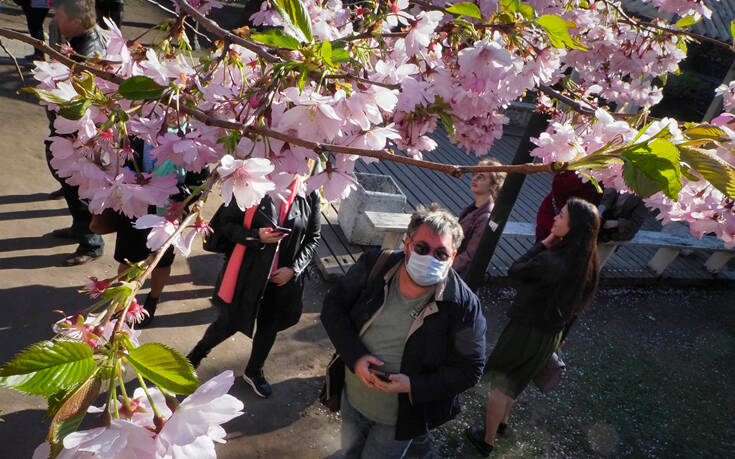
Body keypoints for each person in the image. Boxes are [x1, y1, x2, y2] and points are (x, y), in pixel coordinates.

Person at [321, 204, 487, 458]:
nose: (429, 258)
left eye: (440, 254)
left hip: (400, 420)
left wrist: (414, 385)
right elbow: (334, 306)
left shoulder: (463, 305)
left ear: (452, 257)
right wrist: (355, 357)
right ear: (408, 245)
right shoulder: (375, 266)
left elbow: (471, 369)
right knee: (349, 451)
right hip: (353, 398)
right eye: (422, 248)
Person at [466, 198, 601, 457]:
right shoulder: (588, 265)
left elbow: (515, 271)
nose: (555, 219)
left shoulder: (551, 261)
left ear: (573, 228)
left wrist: (543, 244)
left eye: (561, 217)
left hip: (525, 330)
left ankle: (487, 440)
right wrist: (562, 338)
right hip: (551, 335)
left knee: (501, 384)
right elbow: (577, 307)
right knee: (518, 380)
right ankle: (502, 424)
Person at [186, 178, 321, 398]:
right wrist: (256, 236)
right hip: (247, 274)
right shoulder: (251, 185)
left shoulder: (309, 193)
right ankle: (196, 355)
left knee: (269, 327)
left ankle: (254, 370)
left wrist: (294, 269)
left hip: (281, 281)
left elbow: (313, 237)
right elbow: (226, 225)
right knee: (229, 321)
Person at [45, 0, 107, 266]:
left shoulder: (88, 52)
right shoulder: (79, 44)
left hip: (78, 134)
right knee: (70, 186)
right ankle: (79, 229)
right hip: (69, 130)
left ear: (77, 20)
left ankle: (91, 243)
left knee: (78, 189)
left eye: (59, 17)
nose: (56, 22)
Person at [452, 158, 506, 277]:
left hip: (455, 273)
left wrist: (443, 267)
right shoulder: (471, 208)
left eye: (481, 177)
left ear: (493, 186)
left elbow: (470, 256)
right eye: (475, 174)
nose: (474, 178)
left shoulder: (486, 217)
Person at [535, 171, 601, 242]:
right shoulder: (571, 170)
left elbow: (597, 198)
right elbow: (558, 186)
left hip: (578, 223)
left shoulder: (600, 174)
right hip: (553, 217)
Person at [596, 187, 648, 265]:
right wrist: (600, 210)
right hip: (609, 217)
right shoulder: (619, 183)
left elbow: (635, 223)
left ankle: (594, 263)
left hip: (623, 229)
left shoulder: (645, 197)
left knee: (601, 235)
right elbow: (607, 198)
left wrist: (616, 223)